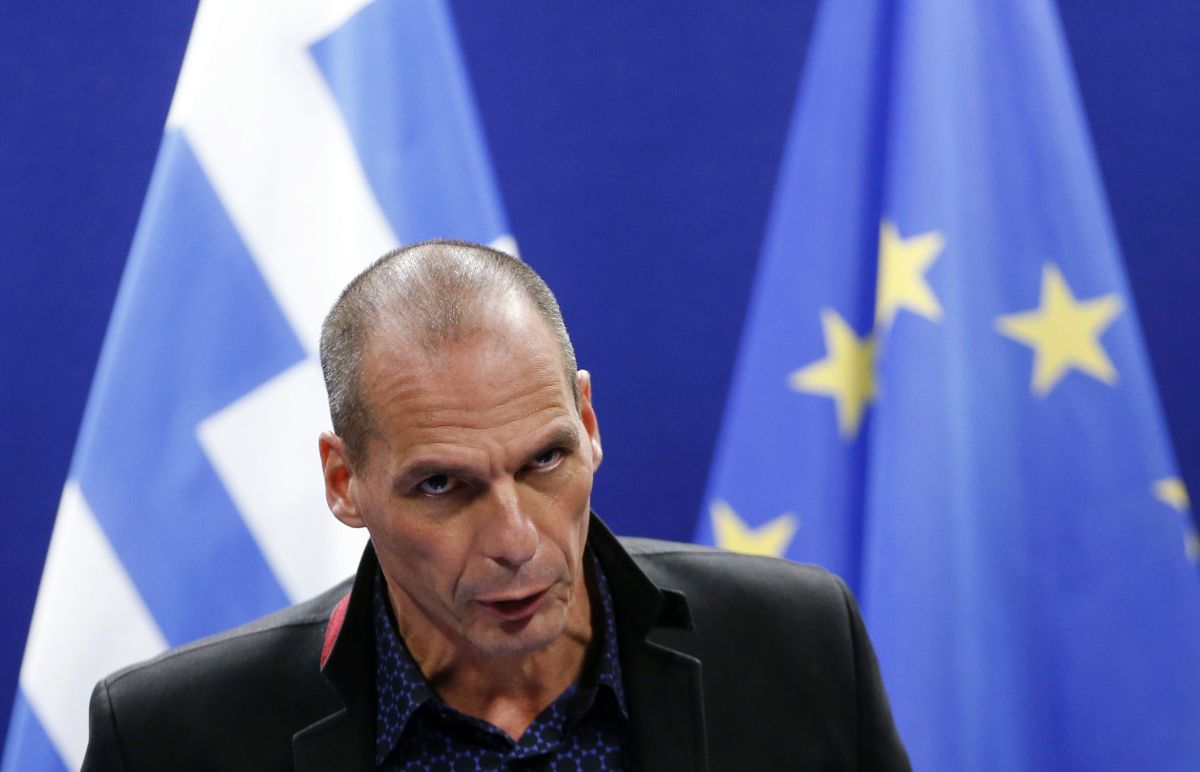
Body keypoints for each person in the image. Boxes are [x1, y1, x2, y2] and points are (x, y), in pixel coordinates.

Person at [82, 239, 910, 770]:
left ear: (588, 424)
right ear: (344, 482)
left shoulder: (797, 645)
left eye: (545, 460)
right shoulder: (169, 740)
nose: (516, 541)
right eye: (442, 486)